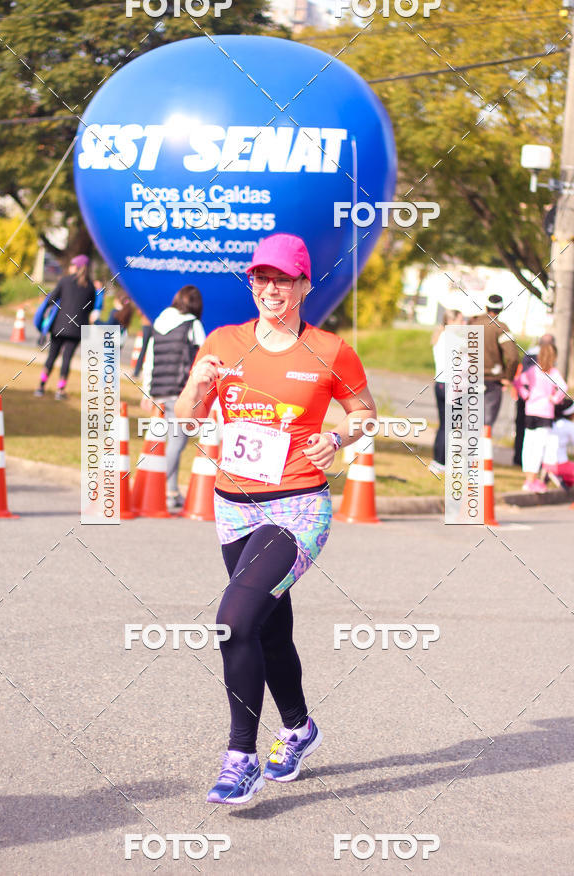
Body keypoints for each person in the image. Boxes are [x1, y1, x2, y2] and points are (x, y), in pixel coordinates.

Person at [174, 233, 376, 804]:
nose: (271, 289)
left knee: (234, 621)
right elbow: (186, 419)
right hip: (234, 508)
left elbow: (365, 412)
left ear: (304, 285)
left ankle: (241, 760)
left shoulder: (331, 350)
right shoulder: (223, 340)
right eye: (261, 278)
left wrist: (338, 437)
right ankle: (300, 729)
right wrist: (198, 386)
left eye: (283, 280)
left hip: (298, 507)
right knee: (268, 628)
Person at [141, 286, 205, 511]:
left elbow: (149, 359)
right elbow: (202, 359)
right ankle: (152, 488)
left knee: (170, 442)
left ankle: (171, 492)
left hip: (159, 392)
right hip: (181, 393)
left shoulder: (159, 322)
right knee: (176, 444)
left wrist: (147, 391)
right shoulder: (193, 325)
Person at [34, 254, 96, 400]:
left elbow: (51, 299)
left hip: (59, 326)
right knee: (67, 359)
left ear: (77, 267)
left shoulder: (65, 281)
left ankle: (41, 386)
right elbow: (91, 307)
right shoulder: (91, 287)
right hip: (77, 329)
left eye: (72, 265)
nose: (70, 267)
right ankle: (60, 390)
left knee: (52, 356)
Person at [514, 339, 566, 492]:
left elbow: (518, 381)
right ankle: (532, 479)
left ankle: (528, 479)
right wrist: (555, 399)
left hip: (530, 411)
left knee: (528, 445)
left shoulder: (533, 370)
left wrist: (525, 394)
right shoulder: (553, 373)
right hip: (545, 413)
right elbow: (563, 387)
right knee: (538, 447)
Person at [469, 294, 519, 427]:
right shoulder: (501, 328)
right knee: (487, 424)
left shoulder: (471, 324)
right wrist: (508, 377)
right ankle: (485, 440)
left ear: (486, 307)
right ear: (501, 309)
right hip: (493, 381)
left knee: (468, 422)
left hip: (469, 378)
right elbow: (513, 357)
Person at [430, 308, 464, 475]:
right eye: (460, 321)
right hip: (452, 385)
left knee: (444, 424)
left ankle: (438, 460)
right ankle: (442, 461)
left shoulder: (440, 336)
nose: (463, 324)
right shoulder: (454, 340)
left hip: (440, 383)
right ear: (451, 322)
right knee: (450, 425)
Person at [512, 334, 555, 467]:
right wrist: (553, 398)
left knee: (522, 429)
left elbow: (519, 378)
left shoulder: (528, 354)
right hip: (543, 405)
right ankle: (537, 463)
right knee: (540, 436)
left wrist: (524, 394)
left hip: (526, 400)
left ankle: (519, 458)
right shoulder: (547, 357)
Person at [542, 399, 574, 487]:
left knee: (573, 481)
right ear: (571, 413)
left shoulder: (551, 422)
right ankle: (555, 474)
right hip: (560, 465)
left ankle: (557, 477)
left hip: (545, 464)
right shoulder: (570, 426)